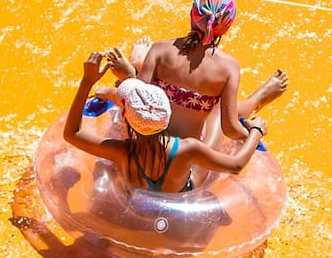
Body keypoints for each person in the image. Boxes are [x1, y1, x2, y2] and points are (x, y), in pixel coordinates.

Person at [64, 49, 267, 193]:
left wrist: (87, 81)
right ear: (168, 114)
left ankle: (132, 71)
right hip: (180, 192)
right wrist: (256, 130)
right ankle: (256, 99)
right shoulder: (188, 149)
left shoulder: (121, 151)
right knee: (216, 110)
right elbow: (237, 165)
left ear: (125, 116)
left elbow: (71, 133)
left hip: (135, 194)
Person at [116, 0, 287, 145]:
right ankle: (258, 98)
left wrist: (130, 75)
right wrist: (254, 133)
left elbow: (134, 103)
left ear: (192, 14)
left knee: (139, 86)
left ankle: (136, 67)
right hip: (184, 155)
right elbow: (230, 129)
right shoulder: (228, 68)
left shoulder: (160, 50)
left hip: (145, 145)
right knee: (220, 107)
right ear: (226, 28)